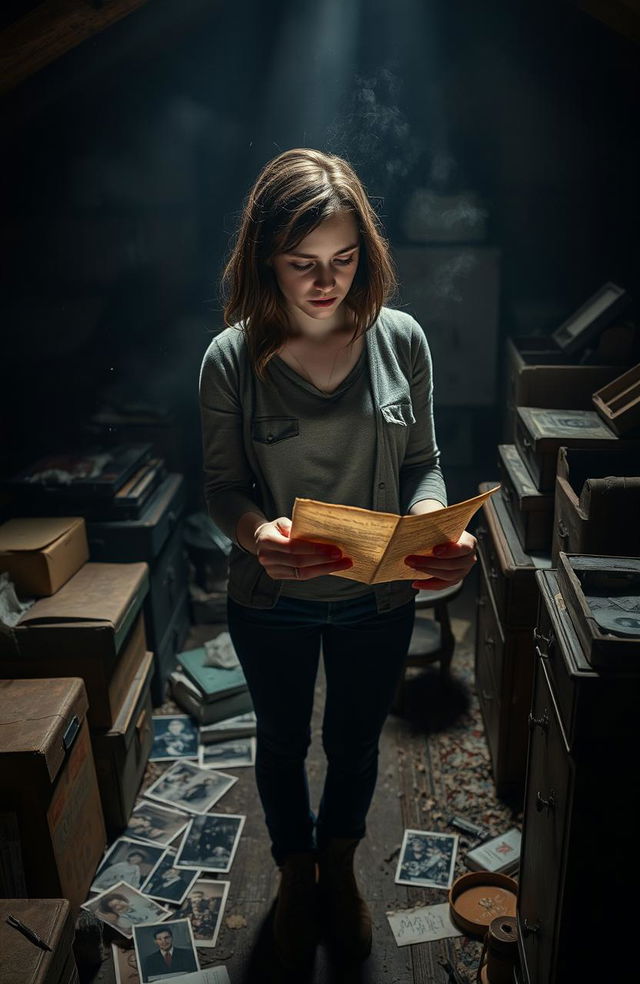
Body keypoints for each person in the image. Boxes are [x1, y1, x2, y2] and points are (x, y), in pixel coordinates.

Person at [198, 148, 477, 971]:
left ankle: (344, 869)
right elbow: (221, 488)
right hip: (271, 598)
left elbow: (425, 461)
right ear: (265, 260)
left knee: (356, 741)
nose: (328, 282)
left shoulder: (404, 340)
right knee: (282, 741)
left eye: (346, 260)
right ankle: (294, 872)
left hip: (378, 598)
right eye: (303, 264)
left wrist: (432, 525)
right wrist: (258, 536)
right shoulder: (229, 358)